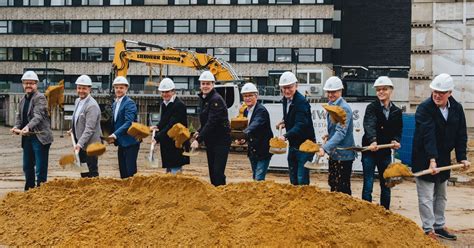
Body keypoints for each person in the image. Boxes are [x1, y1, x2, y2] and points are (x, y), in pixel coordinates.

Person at [412, 73, 470, 241]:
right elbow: (427, 135)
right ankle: (428, 228)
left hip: (443, 158)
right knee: (426, 196)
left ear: (449, 93)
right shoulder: (424, 108)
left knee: (441, 194)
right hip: (424, 157)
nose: (437, 95)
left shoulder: (457, 109)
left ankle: (439, 225)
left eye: (441, 92)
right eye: (435, 91)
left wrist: (462, 157)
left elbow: (461, 134)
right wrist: (431, 160)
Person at [361, 76, 402, 209]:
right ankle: (366, 211)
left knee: (386, 184)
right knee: (368, 183)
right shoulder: (371, 108)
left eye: (384, 89)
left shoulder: (396, 111)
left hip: (384, 152)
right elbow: (369, 125)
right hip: (370, 151)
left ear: (391, 91)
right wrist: (372, 141)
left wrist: (396, 140)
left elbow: (398, 129)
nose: (381, 92)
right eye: (378, 90)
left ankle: (385, 212)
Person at [11, 71, 53, 190]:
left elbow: (38, 116)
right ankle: (29, 190)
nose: (28, 85)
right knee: (27, 166)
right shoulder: (23, 99)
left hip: (40, 138)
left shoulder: (40, 98)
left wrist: (27, 127)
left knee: (40, 168)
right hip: (27, 137)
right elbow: (20, 116)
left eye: (31, 83)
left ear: (36, 84)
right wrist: (16, 127)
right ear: (23, 84)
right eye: (26, 83)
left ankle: (41, 191)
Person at [191, 71, 231, 186]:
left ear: (213, 84)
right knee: (212, 172)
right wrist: (199, 130)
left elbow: (212, 122)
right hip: (212, 141)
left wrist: (198, 140)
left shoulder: (215, 99)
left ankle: (221, 193)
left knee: (218, 172)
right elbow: (206, 121)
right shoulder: (205, 99)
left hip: (221, 141)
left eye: (208, 83)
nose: (205, 86)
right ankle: (215, 194)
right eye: (203, 84)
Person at [276, 71, 315, 185]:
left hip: (305, 146)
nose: (287, 91)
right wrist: (285, 122)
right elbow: (291, 115)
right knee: (293, 178)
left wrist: (285, 136)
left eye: (290, 87)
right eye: (284, 88)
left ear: (296, 86)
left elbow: (301, 124)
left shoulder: (301, 102)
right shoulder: (285, 100)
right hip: (294, 144)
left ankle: (305, 202)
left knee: (301, 178)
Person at [318, 76, 355, 195]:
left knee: (342, 186)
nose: (330, 94)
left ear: (340, 91)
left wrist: (324, 148)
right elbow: (336, 129)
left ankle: (346, 212)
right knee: (333, 183)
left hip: (344, 155)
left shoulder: (344, 108)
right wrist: (329, 135)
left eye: (333, 92)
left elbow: (341, 133)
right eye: (328, 92)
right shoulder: (331, 105)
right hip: (335, 153)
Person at [153, 78, 190, 174]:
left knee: (175, 171)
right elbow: (164, 120)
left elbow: (171, 125)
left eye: (167, 92)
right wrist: (157, 126)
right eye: (163, 92)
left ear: (173, 91)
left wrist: (158, 137)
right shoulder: (164, 104)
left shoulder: (179, 105)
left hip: (177, 143)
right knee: (169, 170)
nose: (165, 94)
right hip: (168, 143)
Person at [238, 82, 273, 181]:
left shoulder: (261, 111)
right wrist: (243, 139)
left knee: (259, 179)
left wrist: (243, 134)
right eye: (245, 96)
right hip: (253, 151)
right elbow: (247, 128)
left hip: (263, 151)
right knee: (255, 177)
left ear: (256, 96)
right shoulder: (246, 111)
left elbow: (255, 125)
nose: (247, 98)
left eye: (250, 95)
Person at [107, 76, 140, 179]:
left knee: (130, 172)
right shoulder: (115, 104)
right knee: (123, 172)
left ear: (126, 89)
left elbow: (128, 123)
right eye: (116, 87)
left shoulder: (129, 103)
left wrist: (115, 135)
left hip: (130, 143)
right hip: (121, 143)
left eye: (121, 88)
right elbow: (114, 122)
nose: (118, 90)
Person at [70, 75, 102, 178]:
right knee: (83, 170)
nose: (81, 91)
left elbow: (90, 128)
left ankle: (95, 191)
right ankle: (85, 190)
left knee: (91, 171)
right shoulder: (77, 101)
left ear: (89, 89)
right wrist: (73, 129)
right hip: (81, 144)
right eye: (79, 88)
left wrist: (79, 144)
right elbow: (78, 119)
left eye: (84, 88)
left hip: (90, 145)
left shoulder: (92, 105)